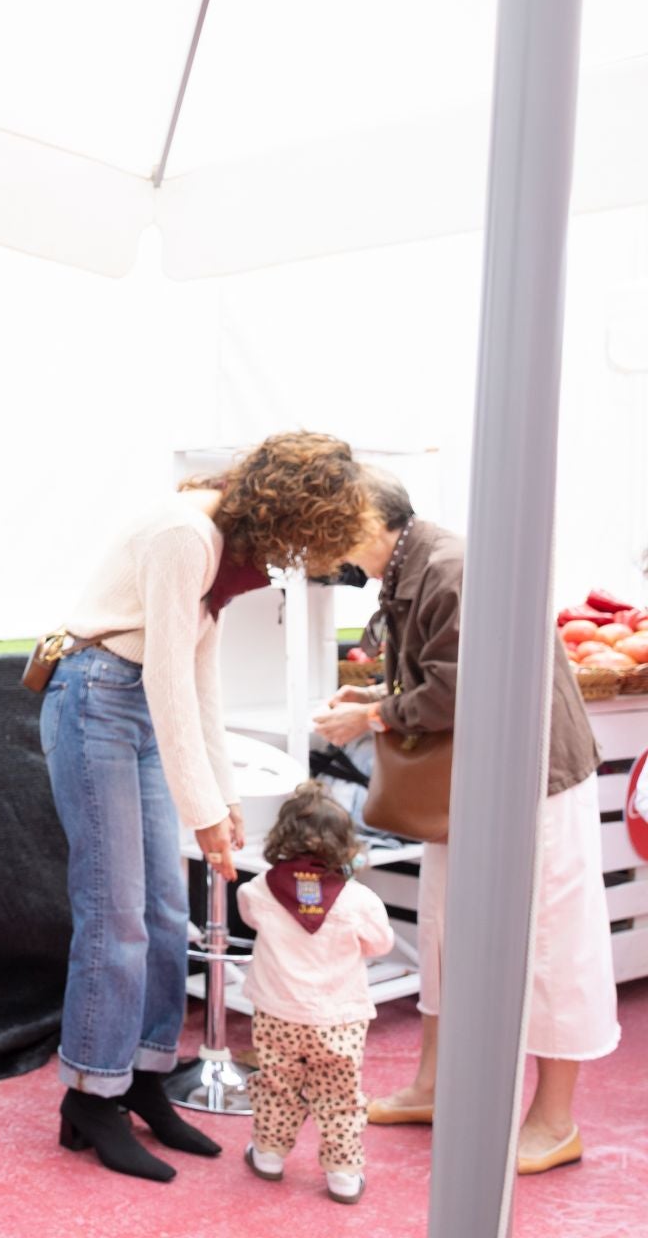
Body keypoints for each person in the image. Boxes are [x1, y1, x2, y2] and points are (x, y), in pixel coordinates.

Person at [40, 432, 369, 1182]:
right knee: (115, 913)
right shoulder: (187, 534)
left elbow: (201, 676)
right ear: (286, 516)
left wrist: (221, 800)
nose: (295, 559)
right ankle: (92, 1096)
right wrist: (205, 812)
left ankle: (145, 1077)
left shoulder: (214, 539)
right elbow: (165, 677)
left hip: (132, 710)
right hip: (97, 699)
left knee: (162, 912)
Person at [312, 467, 616, 1175]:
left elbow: (466, 680)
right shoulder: (413, 563)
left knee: (549, 939)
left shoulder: (448, 567)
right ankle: (434, 1087)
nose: (323, 549)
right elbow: (434, 667)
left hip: (532, 775)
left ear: (364, 519)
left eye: (327, 528)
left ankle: (555, 1119)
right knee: (446, 927)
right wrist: (372, 694)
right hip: (475, 777)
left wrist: (373, 714)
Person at [237, 782, 393, 1205]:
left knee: (277, 1085)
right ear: (346, 845)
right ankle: (343, 1174)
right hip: (338, 1019)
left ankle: (268, 1155)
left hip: (277, 1014)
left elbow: (249, 917)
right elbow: (382, 944)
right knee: (340, 1096)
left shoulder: (258, 890)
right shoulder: (359, 900)